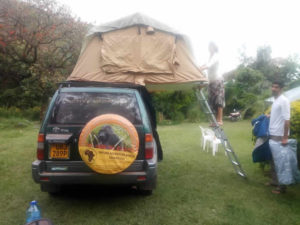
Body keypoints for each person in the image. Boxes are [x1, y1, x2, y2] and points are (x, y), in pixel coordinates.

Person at [267, 80, 290, 194]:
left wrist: (285, 137)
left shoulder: (284, 101)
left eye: (276, 87)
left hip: (280, 135)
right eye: (272, 86)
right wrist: (269, 115)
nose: (273, 89)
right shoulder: (276, 101)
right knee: (273, 159)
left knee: (280, 161)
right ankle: (275, 181)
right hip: (273, 133)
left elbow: (287, 120)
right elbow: (278, 115)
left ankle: (282, 187)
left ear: (281, 89)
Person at [200, 42, 225, 126]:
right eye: (209, 47)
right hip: (211, 82)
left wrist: (201, 68)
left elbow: (209, 65)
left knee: (218, 99)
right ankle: (214, 121)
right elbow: (205, 64)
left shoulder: (216, 56)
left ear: (214, 47)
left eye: (211, 47)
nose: (209, 48)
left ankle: (220, 120)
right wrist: (198, 68)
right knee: (212, 101)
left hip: (217, 80)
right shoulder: (208, 57)